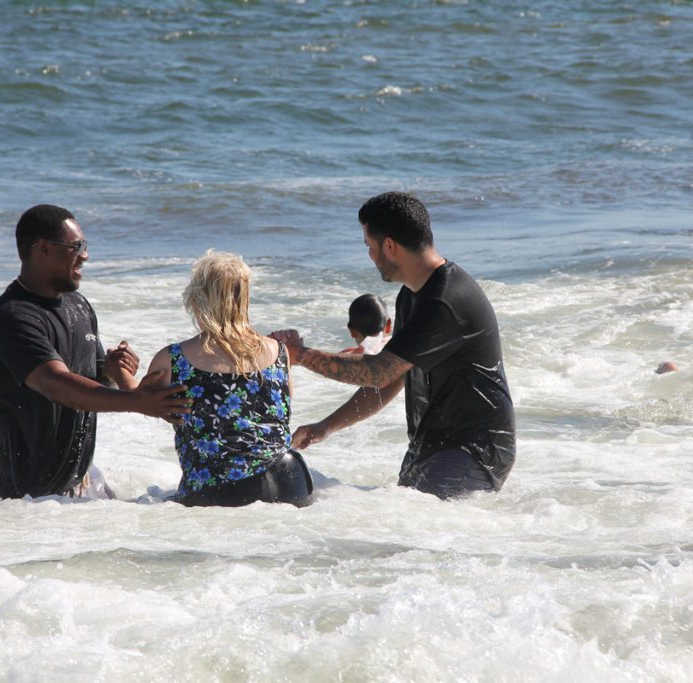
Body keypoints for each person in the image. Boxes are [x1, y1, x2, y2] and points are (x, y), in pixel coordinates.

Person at [272, 192, 515, 499]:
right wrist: (327, 426)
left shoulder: (444, 300)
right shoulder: (412, 295)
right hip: (433, 446)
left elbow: (378, 372)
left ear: (389, 246)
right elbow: (392, 378)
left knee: (413, 531)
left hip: (474, 450)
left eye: (369, 246)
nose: (370, 256)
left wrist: (302, 355)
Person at [0, 204, 191, 499]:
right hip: (24, 500)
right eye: (76, 246)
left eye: (85, 246)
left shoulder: (78, 306)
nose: (85, 255)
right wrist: (137, 401)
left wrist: (113, 370)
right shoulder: (13, 317)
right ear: (43, 249)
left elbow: (96, 382)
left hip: (79, 484)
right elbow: (58, 385)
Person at [143, 250, 313, 507]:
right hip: (291, 481)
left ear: (198, 298)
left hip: (220, 490)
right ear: (245, 298)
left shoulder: (172, 359)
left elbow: (142, 403)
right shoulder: (280, 352)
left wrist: (117, 372)